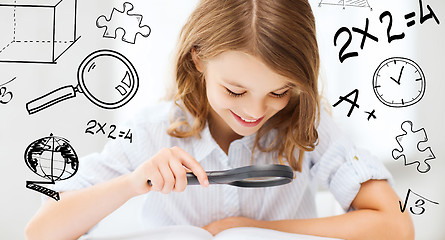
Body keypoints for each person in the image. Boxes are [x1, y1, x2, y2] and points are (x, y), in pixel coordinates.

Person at [25, 0, 414, 239]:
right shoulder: (150, 132)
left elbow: (396, 228)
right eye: (235, 90)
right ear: (197, 58)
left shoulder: (307, 128)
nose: (255, 112)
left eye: (279, 92)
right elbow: (41, 232)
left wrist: (249, 230)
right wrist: (131, 183)